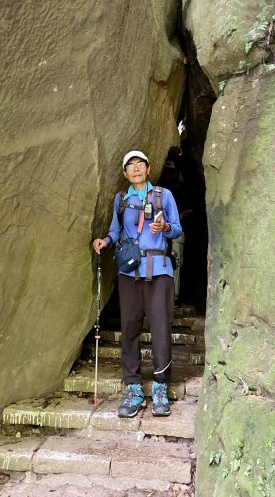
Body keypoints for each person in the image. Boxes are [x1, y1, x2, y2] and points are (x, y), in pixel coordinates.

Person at [93, 150, 182, 418]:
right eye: (130, 166)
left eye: (140, 164)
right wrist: (105, 241)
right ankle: (132, 388)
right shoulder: (121, 200)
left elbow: (177, 228)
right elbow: (115, 231)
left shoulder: (163, 195)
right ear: (125, 174)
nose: (136, 169)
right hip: (129, 272)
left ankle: (159, 388)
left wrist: (164, 227)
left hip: (159, 270)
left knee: (160, 327)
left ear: (148, 168)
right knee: (129, 327)